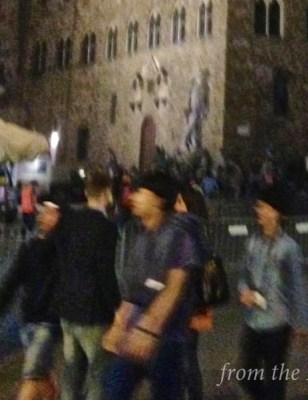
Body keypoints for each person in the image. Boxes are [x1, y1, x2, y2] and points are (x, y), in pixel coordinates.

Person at [103, 170, 197, 400]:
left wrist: (148, 329)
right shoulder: (141, 234)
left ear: (158, 200)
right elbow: (134, 290)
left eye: (140, 192)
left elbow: (174, 288)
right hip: (134, 334)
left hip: (166, 338)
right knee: (113, 392)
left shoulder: (179, 236)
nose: (133, 197)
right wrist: (119, 323)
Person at [237, 182, 308, 399]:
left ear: (277, 212)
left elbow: (298, 286)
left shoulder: (289, 248)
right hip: (252, 321)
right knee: (247, 377)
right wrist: (244, 291)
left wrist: (303, 322)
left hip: (278, 324)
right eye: (258, 206)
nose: (258, 211)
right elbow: (243, 275)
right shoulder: (252, 242)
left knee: (275, 381)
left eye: (263, 207)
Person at [56, 168, 120, 400]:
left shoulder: (69, 222)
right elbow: (105, 272)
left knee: (71, 371)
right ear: (107, 193)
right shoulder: (106, 228)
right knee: (98, 374)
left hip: (67, 308)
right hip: (93, 312)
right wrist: (116, 307)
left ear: (86, 193)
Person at [0, 195, 62, 400]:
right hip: (28, 319)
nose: (43, 216)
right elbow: (12, 281)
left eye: (50, 212)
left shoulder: (66, 249)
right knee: (41, 376)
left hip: (49, 321)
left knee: (31, 376)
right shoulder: (29, 247)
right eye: (42, 211)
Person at [173, 185, 212, 400]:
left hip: (187, 305)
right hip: (189, 304)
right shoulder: (195, 232)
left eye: (180, 202)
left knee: (187, 358)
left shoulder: (188, 234)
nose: (175, 206)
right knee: (186, 357)